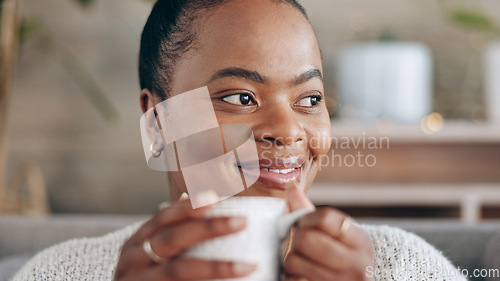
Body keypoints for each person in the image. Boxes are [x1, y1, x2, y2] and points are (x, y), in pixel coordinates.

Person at [12, 0, 467, 280]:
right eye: (241, 97)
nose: (288, 130)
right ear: (157, 121)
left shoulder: (402, 267)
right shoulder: (61, 273)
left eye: (309, 99)